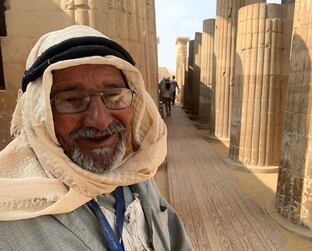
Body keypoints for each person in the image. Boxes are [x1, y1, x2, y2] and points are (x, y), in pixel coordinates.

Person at [0, 25, 192, 251]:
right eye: (72, 100)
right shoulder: (10, 214)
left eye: (114, 96)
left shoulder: (136, 175)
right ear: (40, 114)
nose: (100, 120)